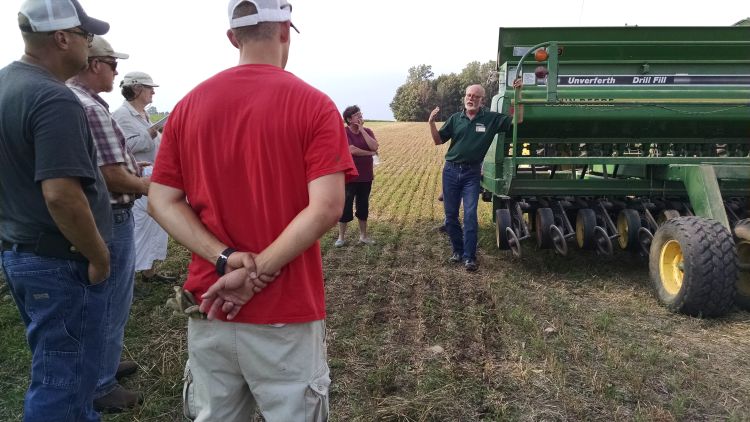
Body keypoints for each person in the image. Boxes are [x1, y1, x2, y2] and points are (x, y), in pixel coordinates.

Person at [147, 1, 356, 421]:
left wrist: (224, 260)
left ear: (232, 38)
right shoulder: (314, 105)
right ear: (285, 31)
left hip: (210, 304)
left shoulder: (187, 107)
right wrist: (256, 274)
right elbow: (328, 206)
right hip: (286, 312)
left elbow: (161, 201)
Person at [0, 1, 112, 420]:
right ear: (62, 37)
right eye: (85, 36)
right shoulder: (52, 98)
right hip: (59, 261)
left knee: (55, 364)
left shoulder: (7, 84)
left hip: (22, 252)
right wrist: (99, 257)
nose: (88, 44)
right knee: (62, 380)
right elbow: (62, 195)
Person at [68, 35, 148, 412]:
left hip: (105, 213)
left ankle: (104, 366)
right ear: (94, 64)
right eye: (112, 64)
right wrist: (154, 185)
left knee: (109, 298)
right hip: (113, 215)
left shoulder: (84, 102)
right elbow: (112, 176)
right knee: (112, 300)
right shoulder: (90, 107)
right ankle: (101, 383)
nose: (117, 71)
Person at [428, 81, 523, 271]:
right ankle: (457, 251)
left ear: (482, 100)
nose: (471, 99)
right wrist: (431, 123)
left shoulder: (491, 119)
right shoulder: (456, 118)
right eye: (469, 95)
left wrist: (518, 94)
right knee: (451, 215)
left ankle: (469, 257)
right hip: (451, 171)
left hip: (472, 173)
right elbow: (438, 141)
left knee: (470, 215)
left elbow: (517, 120)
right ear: (465, 97)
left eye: (475, 96)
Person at [113, 72, 176, 283]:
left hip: (152, 178)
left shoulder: (142, 114)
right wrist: (150, 133)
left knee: (153, 226)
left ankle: (148, 271)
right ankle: (130, 277)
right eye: (149, 88)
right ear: (137, 89)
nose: (153, 92)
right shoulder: (122, 115)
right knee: (139, 228)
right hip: (137, 179)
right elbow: (124, 146)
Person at [335, 105, 378, 247]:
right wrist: (369, 153)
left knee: (363, 205)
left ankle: (363, 236)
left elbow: (374, 146)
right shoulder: (343, 132)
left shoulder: (368, 131)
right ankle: (341, 237)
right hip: (349, 176)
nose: (360, 117)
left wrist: (362, 131)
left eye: (361, 114)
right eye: (357, 115)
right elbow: (351, 150)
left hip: (365, 176)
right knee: (345, 206)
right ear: (349, 119)